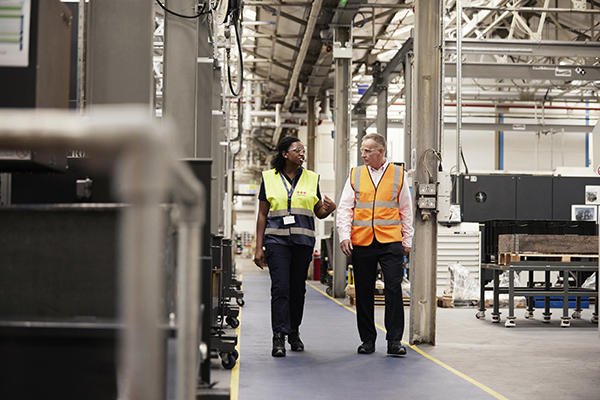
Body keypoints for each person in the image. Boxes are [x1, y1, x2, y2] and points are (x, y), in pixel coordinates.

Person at [254, 136, 336, 357]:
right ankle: (278, 336)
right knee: (280, 288)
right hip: (276, 241)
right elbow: (262, 214)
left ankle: (294, 331)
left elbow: (318, 212)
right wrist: (258, 246)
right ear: (284, 153)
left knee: (297, 290)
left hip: (302, 241)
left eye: (303, 149)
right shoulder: (268, 178)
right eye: (297, 149)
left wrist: (329, 209)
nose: (302, 153)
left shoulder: (311, 178)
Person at [336, 133, 413, 356]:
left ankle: (394, 341)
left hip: (390, 241)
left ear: (381, 152)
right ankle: (367, 340)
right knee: (364, 292)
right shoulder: (355, 174)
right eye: (362, 150)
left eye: (367, 151)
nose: (363, 155)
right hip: (362, 241)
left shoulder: (398, 174)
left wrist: (407, 239)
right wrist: (344, 235)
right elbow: (344, 208)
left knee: (393, 290)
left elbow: (406, 209)